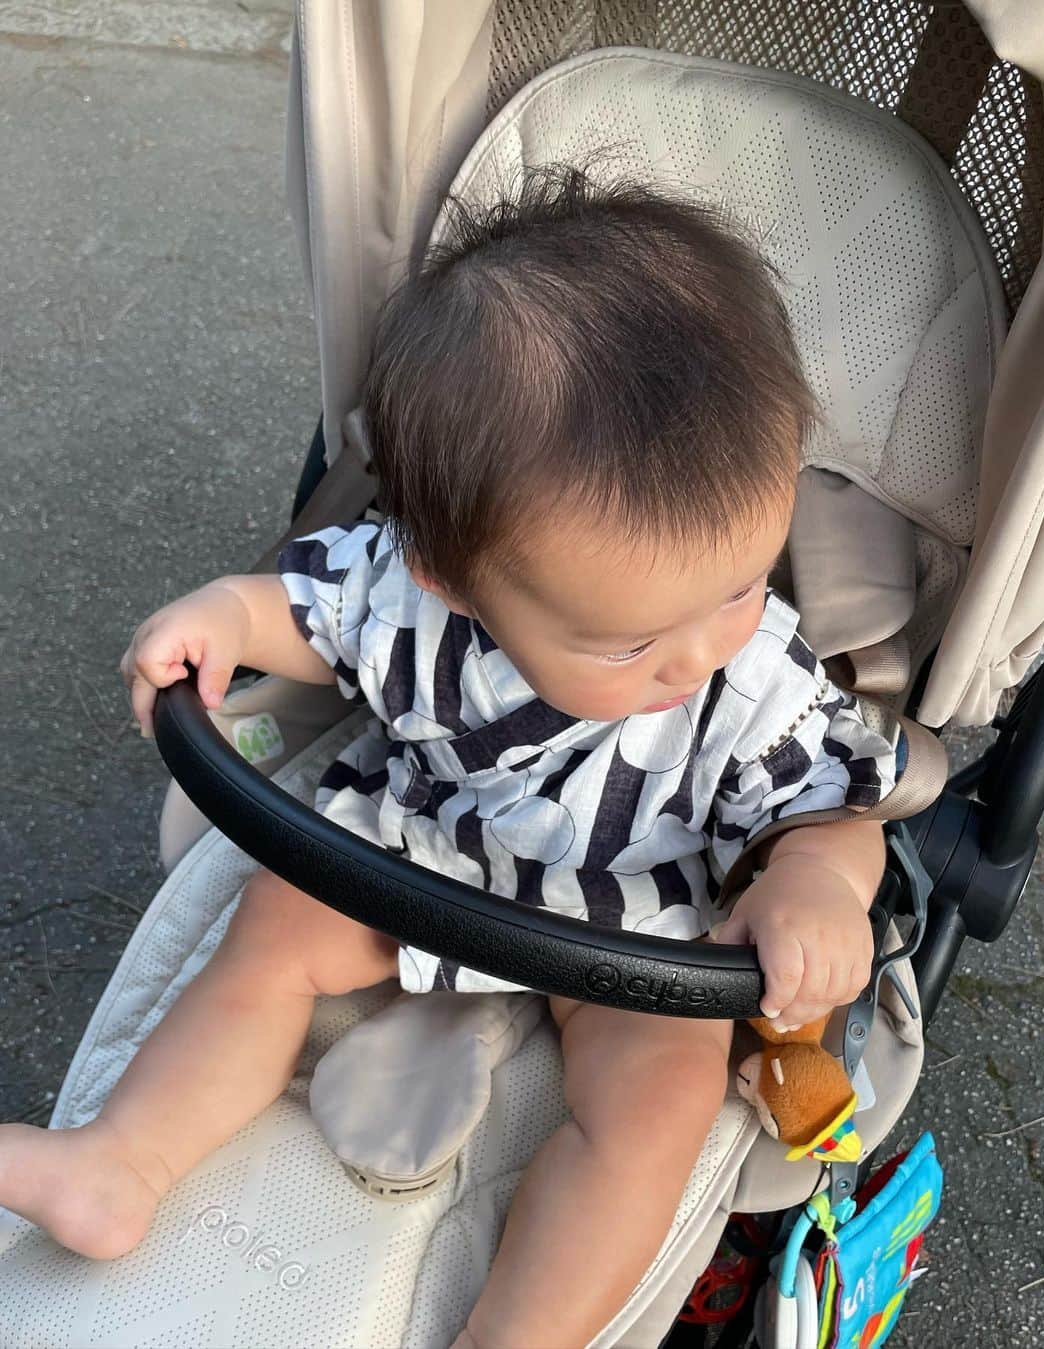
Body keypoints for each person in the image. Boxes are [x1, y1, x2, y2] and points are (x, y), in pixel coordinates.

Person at [0, 167, 894, 1348]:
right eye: (627, 640)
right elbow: (303, 613)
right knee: (270, 934)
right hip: (420, 856)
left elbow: (832, 801)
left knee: (657, 1105)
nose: (693, 654)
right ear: (454, 574)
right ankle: (121, 1163)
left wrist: (818, 884)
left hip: (633, 927)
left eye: (738, 584)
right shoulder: (412, 596)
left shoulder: (747, 673)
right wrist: (220, 614)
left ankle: (511, 1335)